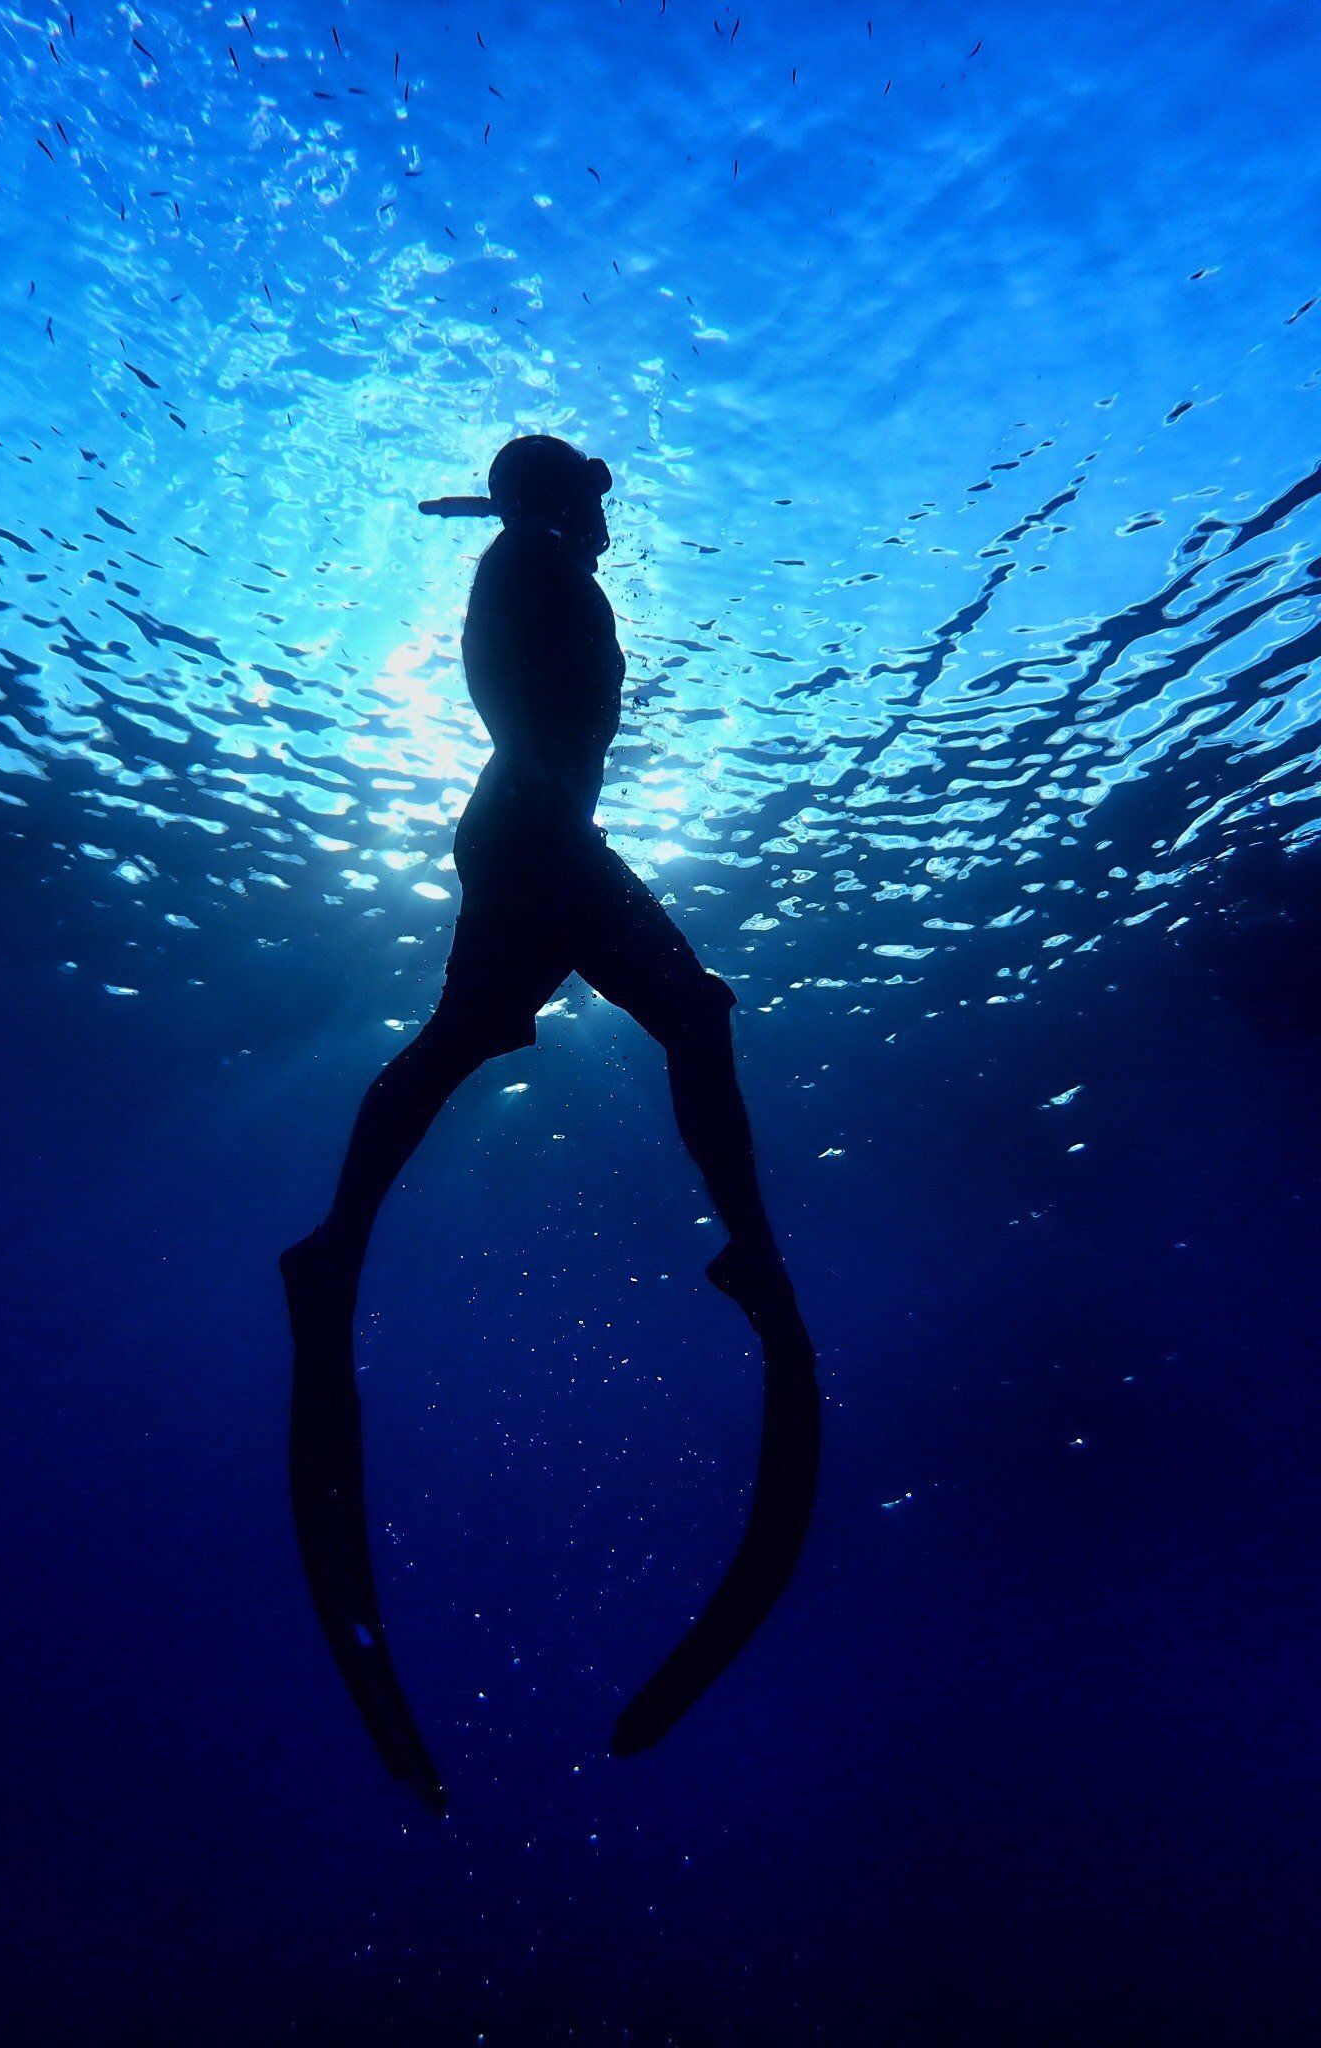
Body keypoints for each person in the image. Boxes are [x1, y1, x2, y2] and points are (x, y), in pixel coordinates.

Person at [282, 435, 820, 1814]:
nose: (604, 516)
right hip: (537, 836)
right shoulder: (524, 566)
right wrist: (551, 859)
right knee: (691, 1014)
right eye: (590, 496)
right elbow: (533, 721)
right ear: (556, 500)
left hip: (531, 832)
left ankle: (335, 1247)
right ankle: (749, 1249)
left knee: (471, 1039)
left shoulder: (526, 561)